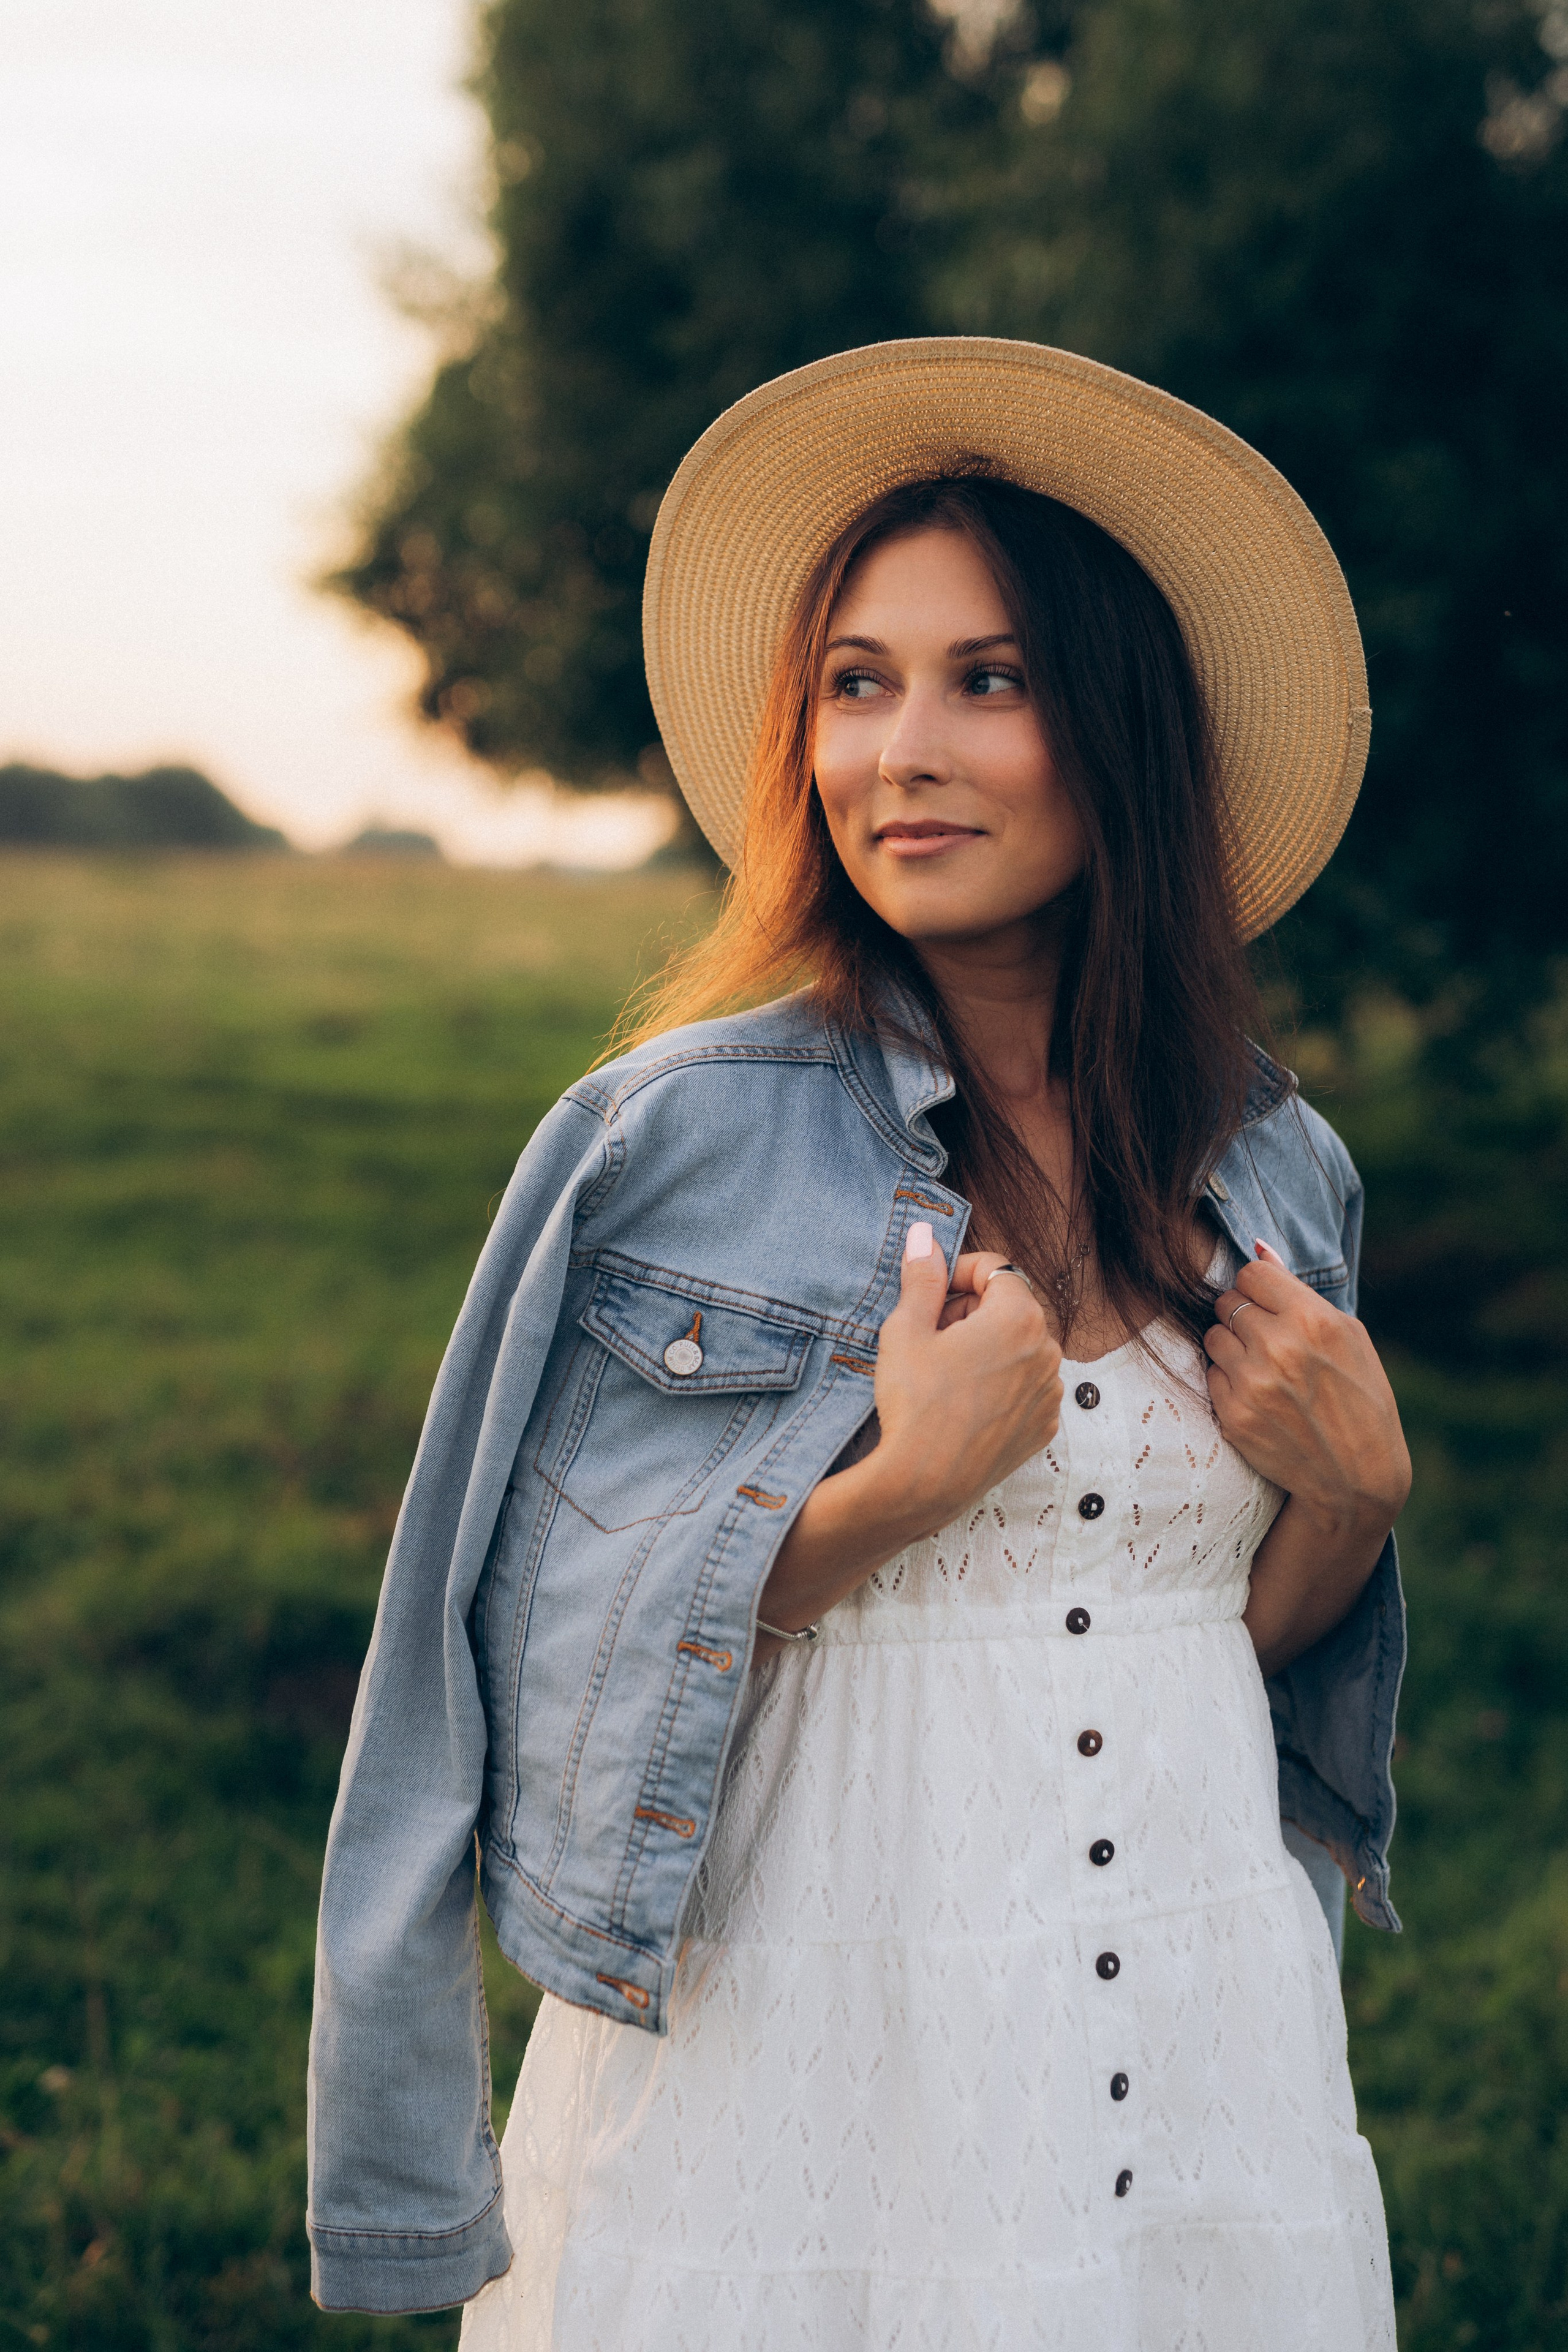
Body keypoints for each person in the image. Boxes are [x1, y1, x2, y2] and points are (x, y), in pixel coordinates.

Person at [307, 339, 1410, 2348]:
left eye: (989, 680)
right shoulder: (671, 1140)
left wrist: (1353, 1499)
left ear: (1121, 730)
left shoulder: (1270, 1159)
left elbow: (1194, 1648)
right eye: (856, 683)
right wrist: (900, 1490)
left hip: (1194, 2028)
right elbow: (536, 1668)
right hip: (800, 2041)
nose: (902, 750)